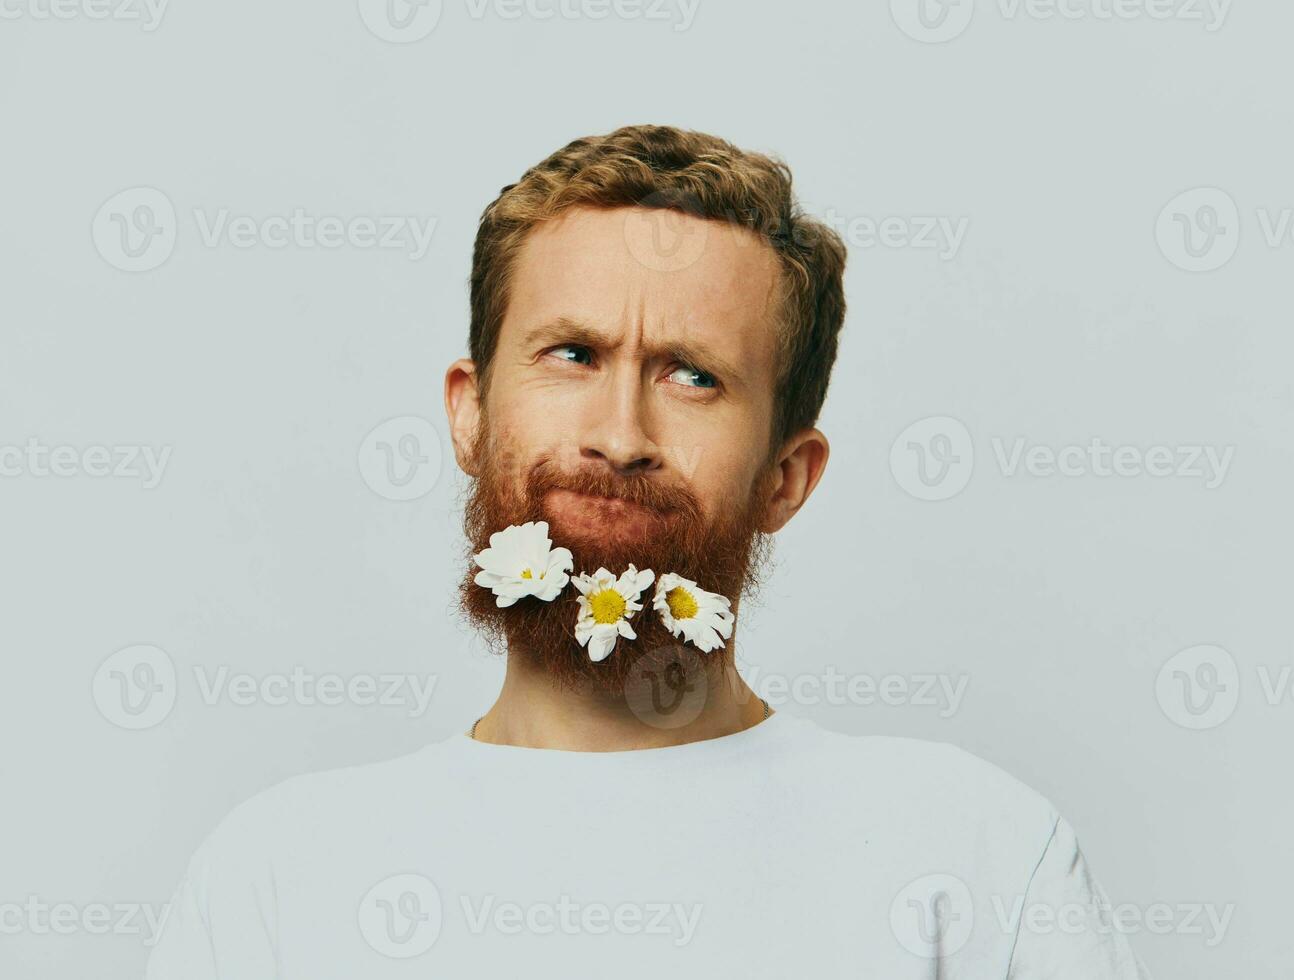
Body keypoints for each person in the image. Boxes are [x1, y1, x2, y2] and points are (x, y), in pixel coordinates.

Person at [147, 124, 1149, 978]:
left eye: (693, 375)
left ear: (786, 477)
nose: (619, 433)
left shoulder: (975, 856)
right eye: (573, 354)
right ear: (469, 410)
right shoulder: (274, 882)